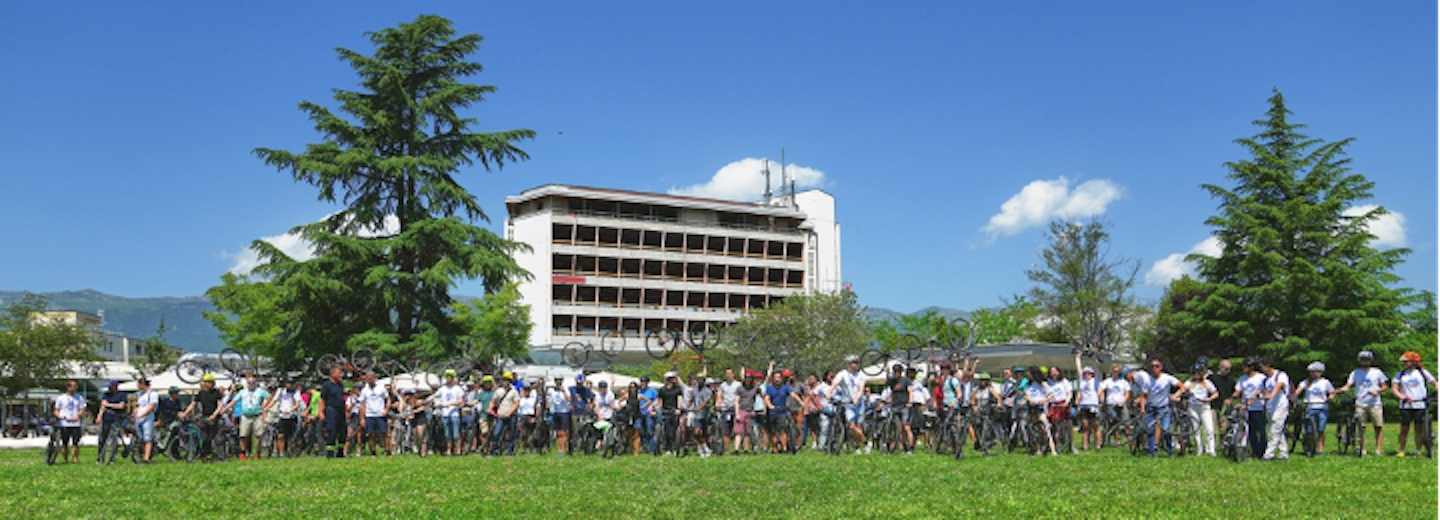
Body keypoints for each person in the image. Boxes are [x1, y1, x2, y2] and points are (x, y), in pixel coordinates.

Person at [1335, 350, 1389, 456]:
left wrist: (1377, 391)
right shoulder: (1355, 372)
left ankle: (1378, 449)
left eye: (1367, 360)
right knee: (1361, 427)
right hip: (1360, 402)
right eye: (1363, 360)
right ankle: (1362, 448)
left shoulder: (1377, 372)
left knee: (1378, 426)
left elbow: (1385, 386)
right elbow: (1348, 385)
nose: (1365, 362)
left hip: (1375, 403)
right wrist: (1339, 390)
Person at [1390, 351, 1438, 458]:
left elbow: (1435, 382)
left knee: (1419, 428)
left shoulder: (1422, 373)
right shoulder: (1400, 374)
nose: (1404, 364)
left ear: (1413, 362)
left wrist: (1436, 390)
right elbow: (1394, 388)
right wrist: (1402, 397)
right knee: (1404, 429)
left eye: (1406, 362)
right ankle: (1402, 450)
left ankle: (1418, 450)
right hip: (1405, 405)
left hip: (1420, 404)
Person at [217, 372, 269, 460]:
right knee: (243, 435)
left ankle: (257, 453)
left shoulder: (260, 391)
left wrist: (266, 406)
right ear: (247, 383)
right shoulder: (242, 392)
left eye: (253, 383)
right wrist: (224, 409)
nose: (251, 384)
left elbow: (270, 398)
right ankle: (243, 453)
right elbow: (233, 401)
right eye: (249, 383)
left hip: (257, 415)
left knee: (258, 436)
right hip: (245, 416)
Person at [1134, 359, 1180, 456]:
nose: (1155, 368)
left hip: (1163, 408)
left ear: (1161, 367)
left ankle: (1169, 450)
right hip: (1151, 408)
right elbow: (1143, 396)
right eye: (1152, 366)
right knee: (1150, 430)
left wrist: (1175, 395)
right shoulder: (1148, 381)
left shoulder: (1167, 378)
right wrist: (1142, 408)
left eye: (1157, 366)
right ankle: (1152, 451)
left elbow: (1182, 386)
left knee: (1166, 429)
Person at [1292, 362, 1335, 456]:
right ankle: (1309, 447)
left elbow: (1331, 392)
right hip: (1310, 407)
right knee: (1309, 430)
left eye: (1315, 372)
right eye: (1311, 372)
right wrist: (1294, 397)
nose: (1313, 374)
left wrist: (1330, 398)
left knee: (1321, 430)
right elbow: (1298, 391)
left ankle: (1320, 449)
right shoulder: (1306, 382)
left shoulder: (1325, 382)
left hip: (1322, 407)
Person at [829, 356, 869, 454]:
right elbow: (835, 383)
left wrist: (857, 398)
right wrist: (829, 392)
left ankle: (858, 447)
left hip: (859, 403)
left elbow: (861, 389)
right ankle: (866, 442)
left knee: (858, 426)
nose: (856, 365)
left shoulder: (861, 375)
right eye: (854, 363)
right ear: (849, 364)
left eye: (857, 363)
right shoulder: (843, 374)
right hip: (847, 403)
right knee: (851, 426)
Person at [1233, 357, 1268, 460]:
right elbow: (1238, 390)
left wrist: (1257, 396)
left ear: (1251, 367)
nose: (1243, 368)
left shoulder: (1261, 378)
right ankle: (1255, 451)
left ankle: (1263, 451)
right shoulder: (1242, 378)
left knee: (1261, 431)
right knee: (1250, 431)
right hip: (1247, 408)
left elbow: (1264, 390)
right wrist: (1233, 397)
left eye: (1245, 366)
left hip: (1259, 407)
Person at [1258, 358, 1291, 460]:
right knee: (1276, 429)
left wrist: (1271, 395)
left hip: (1280, 407)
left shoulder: (1280, 375)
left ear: (1268, 365)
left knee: (1274, 430)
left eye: (1262, 366)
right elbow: (1261, 390)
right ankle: (1283, 453)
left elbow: (1278, 386)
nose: (1261, 369)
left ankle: (1268, 454)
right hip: (1270, 407)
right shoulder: (1265, 379)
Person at [1182, 364, 1218, 456]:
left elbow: (1215, 393)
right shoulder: (1189, 383)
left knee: (1209, 429)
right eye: (1194, 373)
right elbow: (1181, 390)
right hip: (1193, 407)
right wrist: (1176, 396)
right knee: (1195, 429)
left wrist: (1209, 399)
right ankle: (1199, 449)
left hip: (1204, 407)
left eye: (1198, 373)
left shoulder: (1207, 383)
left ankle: (1211, 449)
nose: (1196, 375)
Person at [264, 380, 302, 458]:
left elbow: (297, 404)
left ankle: (289, 451)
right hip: (282, 416)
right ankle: (281, 452)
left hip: (291, 416)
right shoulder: (280, 391)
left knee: (290, 435)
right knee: (280, 435)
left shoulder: (295, 392)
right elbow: (274, 400)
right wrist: (266, 408)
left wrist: (290, 410)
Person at [358, 372, 392, 457]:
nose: (369, 380)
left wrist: (386, 410)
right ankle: (373, 452)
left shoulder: (381, 388)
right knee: (370, 434)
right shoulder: (365, 390)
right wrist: (362, 418)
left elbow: (388, 399)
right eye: (367, 379)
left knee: (384, 433)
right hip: (369, 415)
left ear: (374, 378)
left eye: (370, 378)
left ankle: (388, 451)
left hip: (380, 414)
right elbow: (362, 404)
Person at [1073, 356, 1102, 451]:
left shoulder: (1095, 381)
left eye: (1089, 373)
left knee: (1096, 426)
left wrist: (1096, 358)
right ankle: (1085, 446)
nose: (1087, 375)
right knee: (1085, 426)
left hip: (1093, 405)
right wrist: (1078, 358)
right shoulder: (1082, 381)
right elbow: (1078, 369)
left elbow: (1098, 369)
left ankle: (1098, 445)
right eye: (1085, 373)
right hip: (1084, 405)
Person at [52, 380, 85, 464]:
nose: (75, 388)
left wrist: (78, 416)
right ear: (68, 387)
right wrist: (60, 417)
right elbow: (56, 410)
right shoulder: (61, 398)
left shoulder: (79, 398)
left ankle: (75, 459)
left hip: (75, 423)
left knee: (75, 443)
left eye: (76, 386)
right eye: (74, 386)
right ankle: (65, 459)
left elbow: (81, 409)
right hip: (64, 423)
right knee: (65, 442)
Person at [318, 367, 348, 458]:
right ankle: (330, 452)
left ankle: (340, 452)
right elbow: (322, 399)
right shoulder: (327, 385)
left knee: (343, 432)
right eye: (339, 373)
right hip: (331, 410)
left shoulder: (340, 385)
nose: (340, 375)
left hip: (341, 410)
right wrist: (321, 412)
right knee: (332, 431)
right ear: (332, 374)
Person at [95, 379, 127, 464]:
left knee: (114, 439)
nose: (109, 388)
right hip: (106, 418)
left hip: (116, 418)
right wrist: (99, 416)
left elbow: (121, 406)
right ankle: (100, 458)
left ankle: (112, 458)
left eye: (110, 386)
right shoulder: (106, 394)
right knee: (102, 438)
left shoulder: (122, 395)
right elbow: (102, 405)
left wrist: (108, 405)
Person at [434, 370, 464, 456]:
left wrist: (450, 404)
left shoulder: (457, 388)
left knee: (456, 433)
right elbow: (435, 395)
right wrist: (426, 400)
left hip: (454, 414)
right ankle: (449, 450)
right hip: (445, 414)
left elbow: (461, 401)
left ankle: (458, 450)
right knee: (447, 433)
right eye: (446, 377)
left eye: (449, 377)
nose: (447, 379)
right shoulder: (442, 389)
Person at [490, 372, 521, 456]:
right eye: (504, 380)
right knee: (497, 433)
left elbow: (516, 404)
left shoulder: (514, 392)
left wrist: (509, 413)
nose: (505, 382)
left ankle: (510, 451)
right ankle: (495, 450)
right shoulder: (499, 391)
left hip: (511, 415)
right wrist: (490, 409)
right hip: (500, 415)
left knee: (511, 434)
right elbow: (493, 401)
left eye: (507, 380)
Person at [886, 363, 914, 454]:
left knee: (906, 427)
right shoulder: (892, 381)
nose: (896, 373)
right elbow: (890, 390)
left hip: (904, 405)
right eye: (895, 372)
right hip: (895, 406)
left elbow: (910, 391)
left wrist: (910, 402)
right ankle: (902, 446)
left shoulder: (906, 380)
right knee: (898, 428)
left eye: (898, 372)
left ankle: (911, 448)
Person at [1044, 366, 1072, 455]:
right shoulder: (1048, 383)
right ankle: (1054, 443)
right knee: (1053, 424)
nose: (1054, 373)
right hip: (1053, 405)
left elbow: (1069, 393)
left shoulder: (1064, 382)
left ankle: (1070, 444)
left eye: (1055, 371)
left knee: (1068, 423)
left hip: (1063, 403)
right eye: (1052, 371)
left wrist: (1067, 402)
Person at [1208, 359, 1236, 439]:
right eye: (1226, 369)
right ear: (1220, 367)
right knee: (1212, 428)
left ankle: (1223, 446)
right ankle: (1211, 447)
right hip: (1213, 406)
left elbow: (1234, 392)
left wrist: (1230, 399)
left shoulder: (1231, 380)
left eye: (1229, 369)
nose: (1228, 371)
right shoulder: (1212, 378)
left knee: (1224, 428)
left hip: (1225, 407)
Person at [734, 370, 761, 454]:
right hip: (741, 411)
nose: (748, 380)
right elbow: (736, 401)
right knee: (738, 432)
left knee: (747, 432)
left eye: (749, 378)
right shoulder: (740, 388)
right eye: (746, 378)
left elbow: (763, 395)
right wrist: (737, 413)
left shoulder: (756, 388)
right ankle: (736, 450)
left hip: (750, 411)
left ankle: (746, 449)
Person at [132, 378, 158, 463]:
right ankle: (143, 454)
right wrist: (135, 413)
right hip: (139, 418)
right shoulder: (140, 394)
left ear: (143, 384)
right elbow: (139, 406)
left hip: (148, 418)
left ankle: (146, 458)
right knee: (141, 438)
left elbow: (151, 407)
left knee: (147, 438)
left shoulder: (153, 394)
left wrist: (142, 415)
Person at [717, 368, 741, 454]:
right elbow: (720, 396)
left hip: (735, 409)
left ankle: (736, 449)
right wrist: (718, 404)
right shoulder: (723, 385)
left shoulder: (738, 384)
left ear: (734, 374)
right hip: (725, 409)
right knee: (725, 430)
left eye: (730, 373)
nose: (728, 375)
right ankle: (726, 449)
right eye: (727, 373)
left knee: (736, 430)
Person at [549, 375, 573, 455]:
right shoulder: (552, 391)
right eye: (556, 381)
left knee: (564, 432)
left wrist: (563, 391)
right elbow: (550, 401)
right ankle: (559, 448)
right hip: (556, 412)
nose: (558, 382)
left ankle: (563, 448)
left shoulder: (566, 389)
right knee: (558, 432)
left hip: (564, 412)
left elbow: (569, 399)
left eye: (559, 380)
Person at [637, 376, 658, 453]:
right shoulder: (638, 391)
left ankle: (652, 448)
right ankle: (645, 447)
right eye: (641, 382)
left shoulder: (652, 391)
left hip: (648, 413)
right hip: (639, 413)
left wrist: (652, 406)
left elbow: (657, 400)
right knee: (641, 431)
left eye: (644, 382)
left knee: (649, 430)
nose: (642, 384)